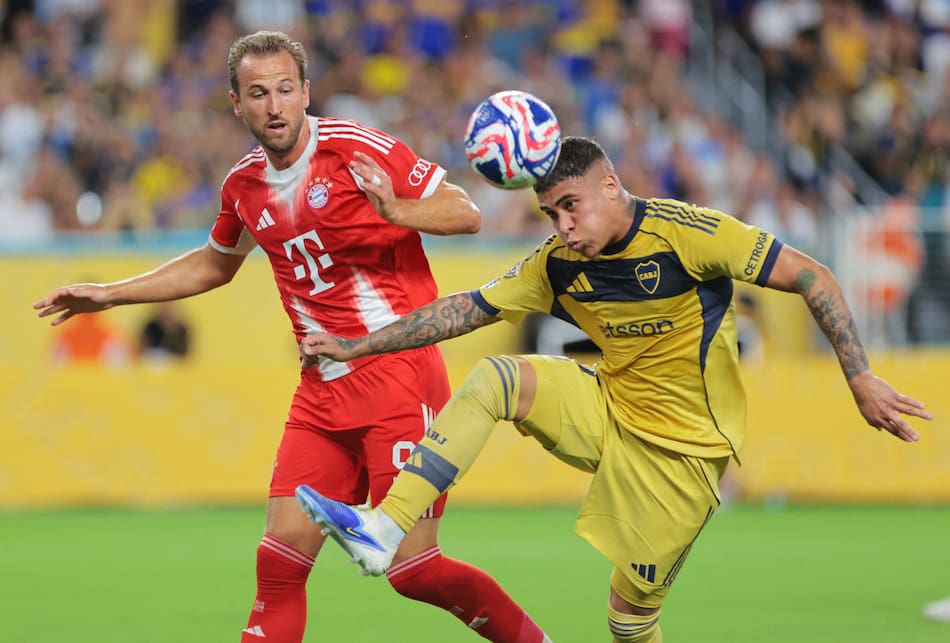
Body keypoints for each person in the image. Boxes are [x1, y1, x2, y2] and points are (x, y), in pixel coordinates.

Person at [292, 136, 932, 642]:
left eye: (572, 205)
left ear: (610, 185)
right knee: (497, 377)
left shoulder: (690, 233)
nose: (563, 224)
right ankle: (386, 527)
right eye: (550, 212)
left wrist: (860, 376)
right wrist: (356, 344)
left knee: (628, 622)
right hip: (607, 410)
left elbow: (812, 276)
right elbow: (466, 309)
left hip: (684, 457)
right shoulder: (557, 263)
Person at [34, 31, 550, 643]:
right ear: (237, 104)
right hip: (321, 393)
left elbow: (464, 211)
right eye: (258, 94)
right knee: (278, 565)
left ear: (306, 92)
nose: (274, 106)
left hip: (398, 376)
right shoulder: (243, 185)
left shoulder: (355, 148)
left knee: (412, 569)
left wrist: (397, 212)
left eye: (285, 90)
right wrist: (110, 293)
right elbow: (214, 263)